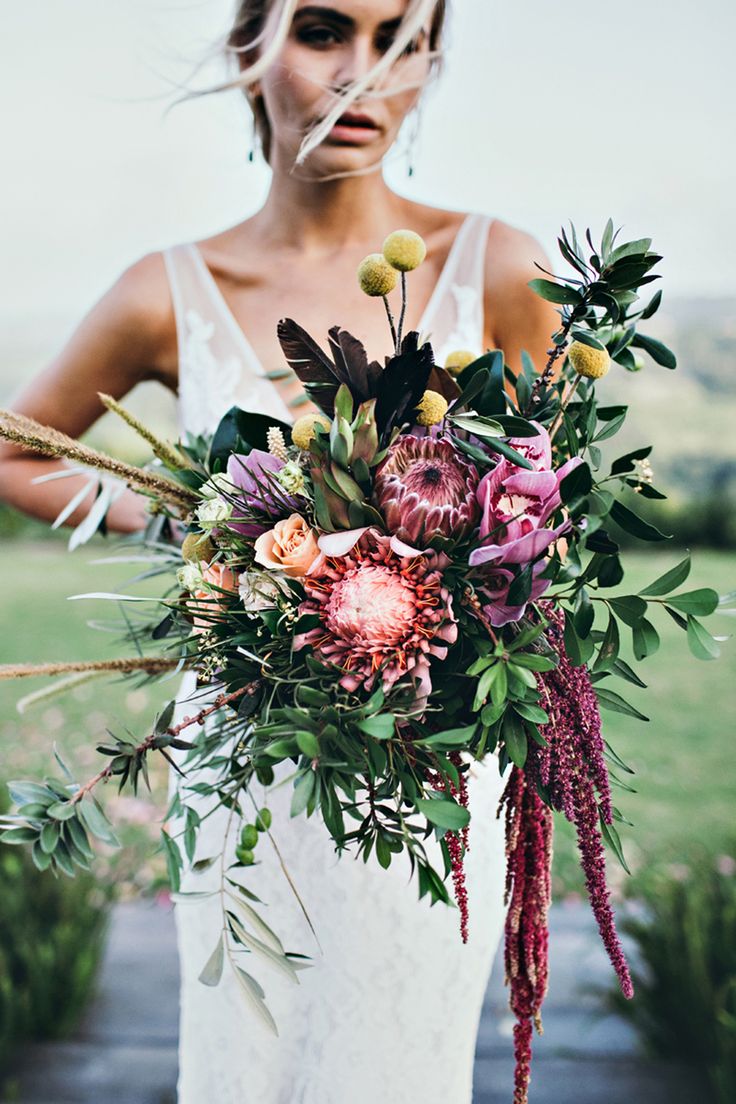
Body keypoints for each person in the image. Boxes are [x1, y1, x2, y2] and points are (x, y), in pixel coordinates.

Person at [0, 2, 559, 1100]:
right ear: (247, 50)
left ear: (429, 63)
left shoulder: (497, 269)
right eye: (320, 29)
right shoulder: (169, 287)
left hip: (427, 771)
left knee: (397, 1060)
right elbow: (17, 450)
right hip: (240, 767)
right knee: (243, 1061)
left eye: (398, 37)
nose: (364, 73)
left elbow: (548, 517)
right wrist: (175, 521)